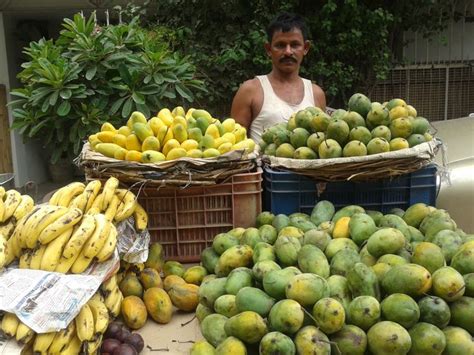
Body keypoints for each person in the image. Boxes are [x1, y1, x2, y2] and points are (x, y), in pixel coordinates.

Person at [231, 12, 326, 143]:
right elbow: (235, 146)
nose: (288, 51)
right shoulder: (250, 91)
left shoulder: (316, 94)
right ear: (268, 49)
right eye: (280, 45)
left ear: (305, 48)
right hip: (262, 164)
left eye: (295, 45)